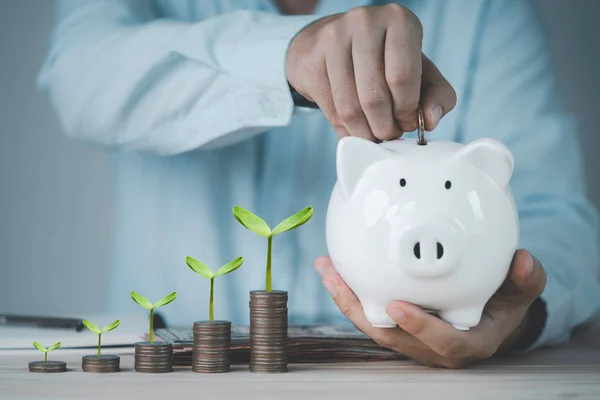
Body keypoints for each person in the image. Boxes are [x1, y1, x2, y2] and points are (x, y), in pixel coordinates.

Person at [38, 0, 600, 368]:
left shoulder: (484, 11)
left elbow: (558, 214)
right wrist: (283, 54)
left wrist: (516, 316)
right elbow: (78, 77)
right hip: (176, 370)